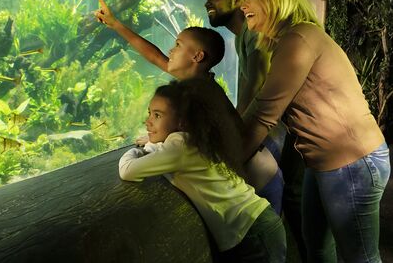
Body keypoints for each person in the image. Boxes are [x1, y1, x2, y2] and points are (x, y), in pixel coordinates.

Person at [240, 0, 390, 263]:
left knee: (360, 257)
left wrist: (224, 162)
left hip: (353, 164)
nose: (242, 4)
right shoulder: (291, 40)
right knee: (317, 248)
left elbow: (263, 114)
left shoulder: (299, 38)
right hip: (323, 163)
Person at [94, 0, 283, 215]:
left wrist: (157, 139)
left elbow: (195, 137)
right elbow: (154, 56)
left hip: (259, 174)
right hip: (252, 171)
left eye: (178, 45)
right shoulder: (196, 81)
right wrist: (115, 24)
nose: (170, 51)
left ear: (197, 57)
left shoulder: (202, 92)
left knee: (265, 239)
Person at [119, 79, 286, 262]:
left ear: (181, 121)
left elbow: (128, 171)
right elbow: (164, 152)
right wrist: (152, 143)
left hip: (253, 232)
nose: (148, 121)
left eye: (157, 115)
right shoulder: (193, 140)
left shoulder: (180, 146)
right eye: (149, 113)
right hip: (254, 225)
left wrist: (135, 151)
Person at [205, 0, 306, 260]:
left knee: (294, 200)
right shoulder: (245, 36)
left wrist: (234, 136)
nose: (207, 3)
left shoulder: (262, 35)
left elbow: (258, 87)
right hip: (290, 131)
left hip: (291, 131)